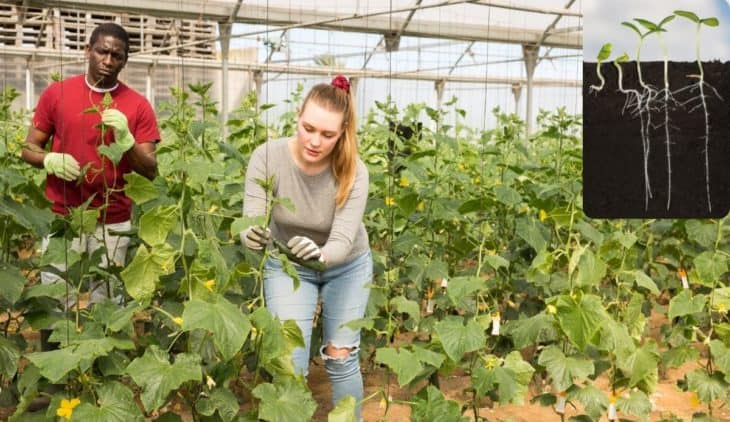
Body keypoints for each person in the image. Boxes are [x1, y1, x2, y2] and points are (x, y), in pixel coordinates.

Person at [241, 75, 371, 420]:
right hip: (288, 264)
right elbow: (251, 217)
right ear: (297, 116)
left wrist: (321, 254)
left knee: (340, 355)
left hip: (346, 266)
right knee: (288, 361)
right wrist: (250, 236)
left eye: (327, 135)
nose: (315, 141)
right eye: (308, 128)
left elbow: (342, 241)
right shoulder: (267, 156)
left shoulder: (354, 171)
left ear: (342, 132)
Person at [21, 22, 160, 309]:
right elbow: (28, 147)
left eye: (117, 56)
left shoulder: (138, 105)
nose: (108, 61)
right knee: (57, 300)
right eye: (102, 52)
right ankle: (57, 352)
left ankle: (102, 354)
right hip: (62, 216)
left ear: (125, 60)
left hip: (113, 220)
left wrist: (126, 139)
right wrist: (48, 158)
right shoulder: (57, 93)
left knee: (108, 304)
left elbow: (150, 170)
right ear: (88, 51)